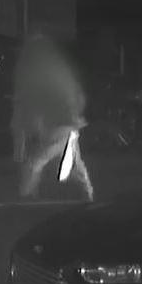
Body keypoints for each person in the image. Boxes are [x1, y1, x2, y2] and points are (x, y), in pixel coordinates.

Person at [10, 32, 94, 202]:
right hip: (67, 124)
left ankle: (26, 195)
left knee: (36, 161)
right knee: (75, 163)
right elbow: (76, 95)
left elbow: (35, 100)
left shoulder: (40, 71)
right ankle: (87, 194)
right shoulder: (55, 68)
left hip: (60, 125)